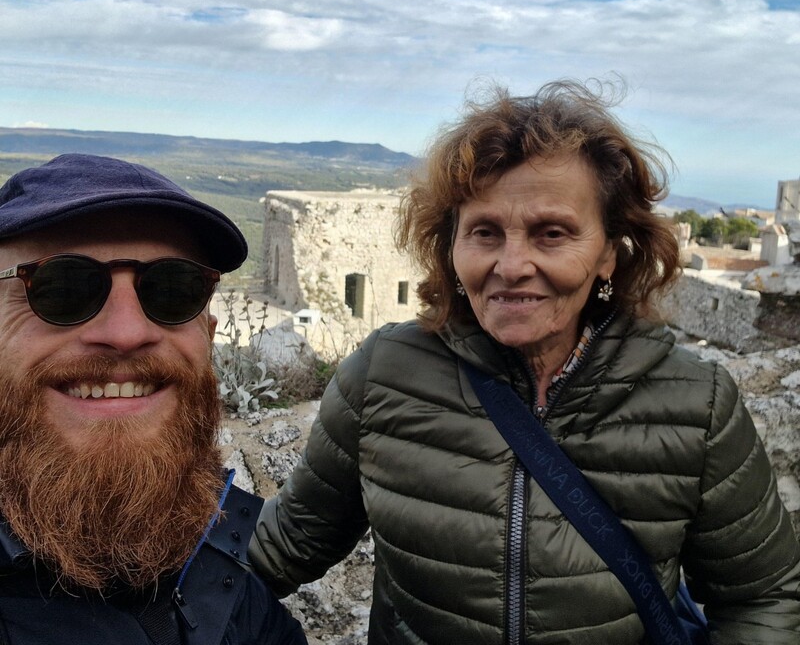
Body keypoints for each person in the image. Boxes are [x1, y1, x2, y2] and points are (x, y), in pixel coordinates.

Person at [249, 80, 800, 644]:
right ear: (451, 246)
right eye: (484, 232)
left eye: (552, 233)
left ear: (609, 252)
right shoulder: (384, 374)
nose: (512, 266)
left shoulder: (697, 404)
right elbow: (287, 545)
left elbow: (762, 597)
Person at [0, 153, 307, 645]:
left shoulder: (235, 590)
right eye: (61, 288)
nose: (127, 333)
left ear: (208, 334)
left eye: (173, 289)